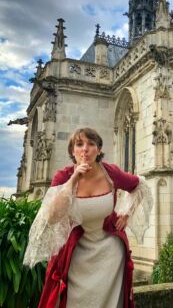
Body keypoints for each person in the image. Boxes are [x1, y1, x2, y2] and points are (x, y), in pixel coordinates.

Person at [23, 127, 153, 308]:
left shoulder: (110, 172)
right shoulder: (63, 177)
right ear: (72, 151)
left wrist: (127, 213)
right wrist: (74, 178)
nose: (85, 149)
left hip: (110, 255)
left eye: (91, 144)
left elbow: (140, 187)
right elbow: (52, 217)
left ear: (98, 150)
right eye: (79, 144)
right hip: (75, 255)